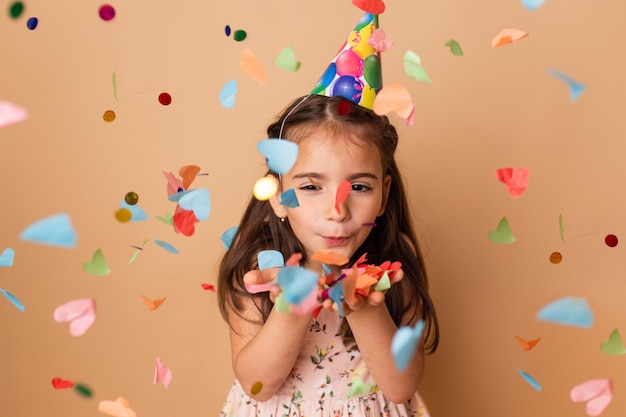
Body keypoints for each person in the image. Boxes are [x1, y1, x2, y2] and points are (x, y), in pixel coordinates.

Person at [216, 92, 439, 417]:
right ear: (278, 197)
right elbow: (256, 385)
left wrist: (364, 308)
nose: (337, 211)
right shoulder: (259, 270)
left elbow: (400, 386)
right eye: (310, 187)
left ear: (384, 194)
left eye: (359, 187)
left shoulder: (392, 270)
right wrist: (291, 308)